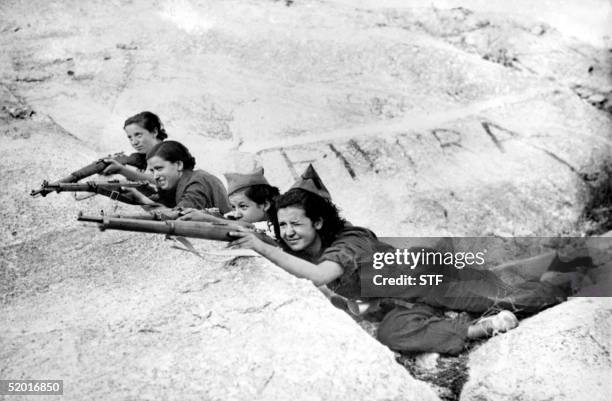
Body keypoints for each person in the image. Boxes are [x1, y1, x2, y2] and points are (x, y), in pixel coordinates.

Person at [227, 164, 589, 355]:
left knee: (507, 295)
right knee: (392, 333)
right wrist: (235, 222)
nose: (287, 232)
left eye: (296, 224)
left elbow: (318, 275)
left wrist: (260, 245)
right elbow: (262, 217)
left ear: (318, 222)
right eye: (283, 225)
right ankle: (475, 327)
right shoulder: (302, 241)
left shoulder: (350, 242)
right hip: (395, 301)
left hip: (428, 280)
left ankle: (574, 274)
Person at [128, 140, 232, 213]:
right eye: (152, 171)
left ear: (179, 165)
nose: (155, 176)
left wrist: (140, 198)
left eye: (159, 168)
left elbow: (178, 216)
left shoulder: (198, 182)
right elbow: (162, 202)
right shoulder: (181, 183)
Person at [101, 111, 168, 182]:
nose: (134, 142)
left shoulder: (169, 153)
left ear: (154, 132)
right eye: (130, 137)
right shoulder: (146, 157)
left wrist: (122, 170)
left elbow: (159, 181)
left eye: (138, 135)